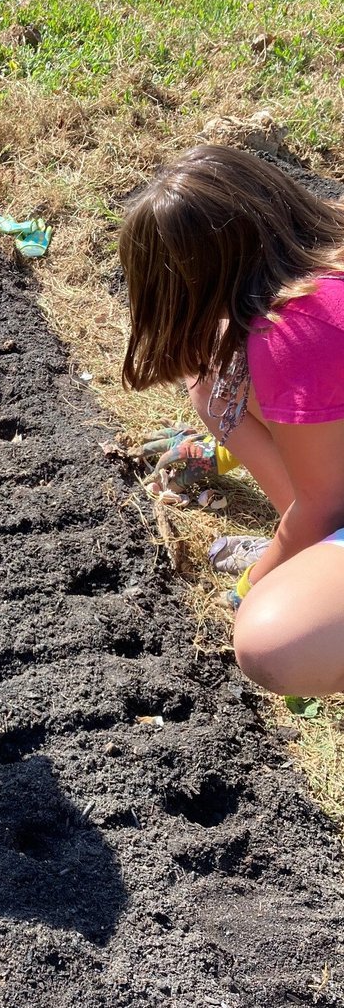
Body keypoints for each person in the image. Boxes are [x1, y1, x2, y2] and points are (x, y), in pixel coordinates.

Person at [119, 144, 344, 697]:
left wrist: (254, 583)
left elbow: (327, 503)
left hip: (330, 492)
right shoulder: (321, 270)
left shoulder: (292, 337)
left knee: (273, 641)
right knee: (211, 366)